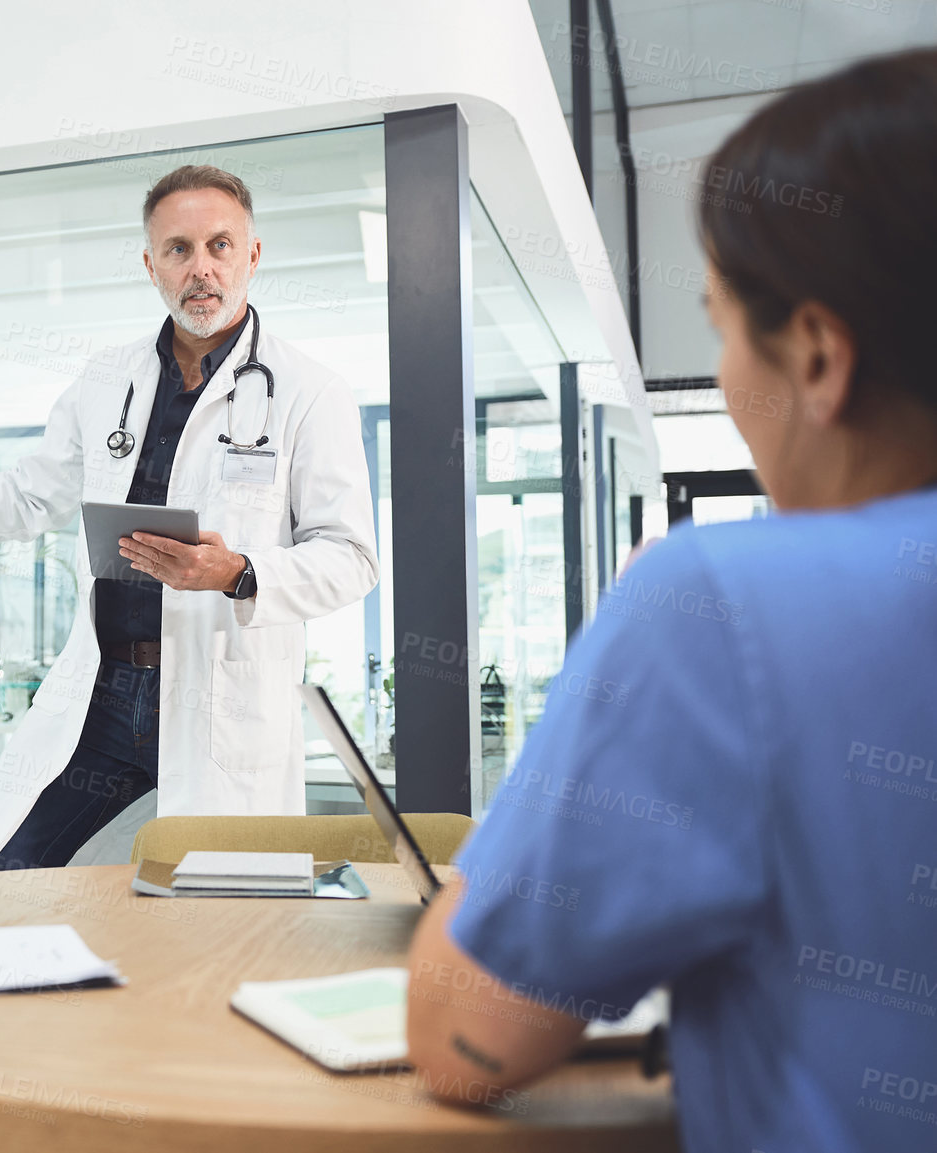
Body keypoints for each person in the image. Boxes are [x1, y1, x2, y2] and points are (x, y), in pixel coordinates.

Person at [404, 49, 937, 1153]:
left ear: (819, 353)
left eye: (723, 327)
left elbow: (466, 1040)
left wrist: (544, 818)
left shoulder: (729, 601)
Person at [0, 165, 378, 873]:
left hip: (220, 700)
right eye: (179, 249)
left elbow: (351, 556)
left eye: (220, 246)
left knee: (221, 905)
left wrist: (237, 572)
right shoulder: (109, 380)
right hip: (105, 693)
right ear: (150, 264)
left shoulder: (309, 393)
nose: (201, 269)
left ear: (252, 256)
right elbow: (28, 496)